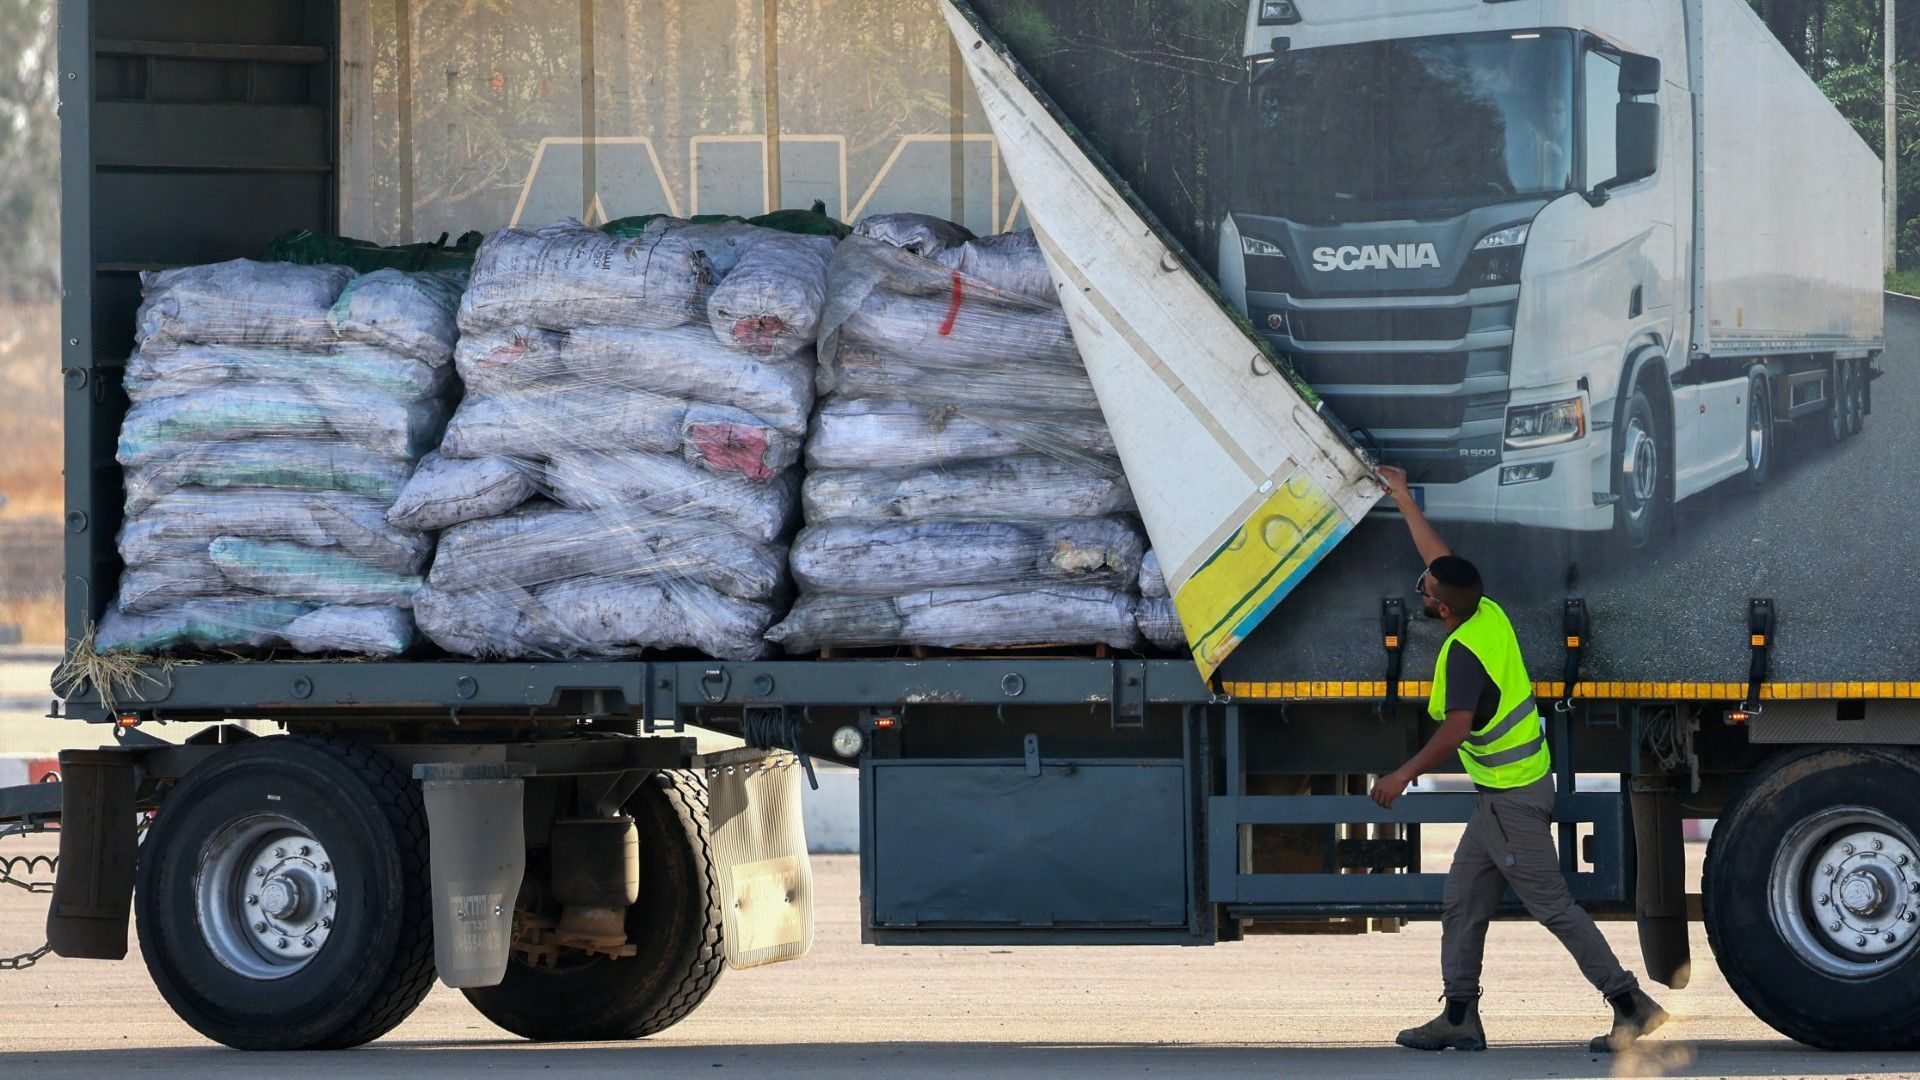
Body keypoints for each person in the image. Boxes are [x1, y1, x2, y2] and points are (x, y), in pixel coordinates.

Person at [1370, 465, 1667, 1054]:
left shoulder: (1461, 656)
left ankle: (1631, 1004)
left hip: (1512, 799)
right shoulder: (1486, 613)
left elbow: (1455, 730)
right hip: (1503, 798)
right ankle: (1459, 1016)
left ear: (1443, 609)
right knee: (1462, 900)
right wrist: (1403, 497)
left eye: (1425, 590)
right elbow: (1443, 560)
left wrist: (1403, 775)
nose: (1420, 589)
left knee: (1553, 907)